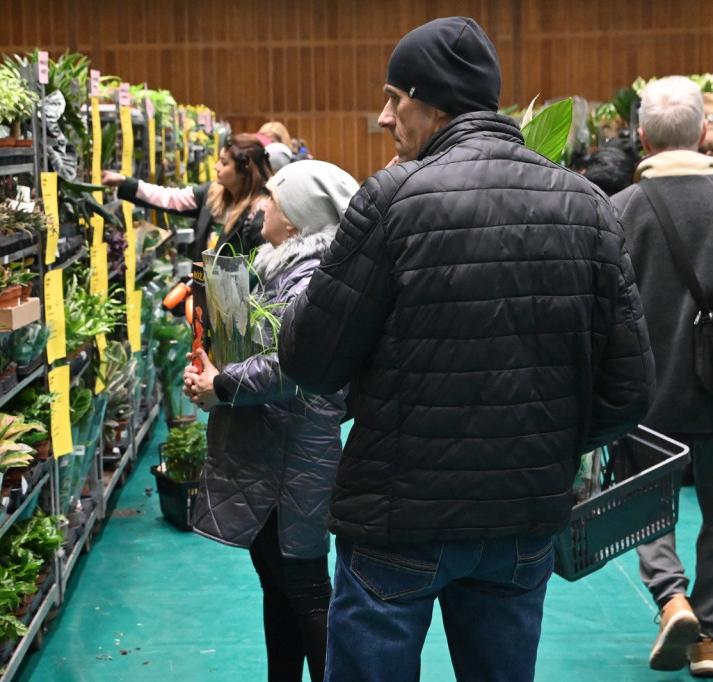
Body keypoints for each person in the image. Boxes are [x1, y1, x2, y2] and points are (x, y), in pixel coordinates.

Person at [276, 16, 655, 681]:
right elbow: (628, 391)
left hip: (397, 518)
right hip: (520, 518)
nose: (385, 117)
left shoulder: (393, 199)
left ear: (434, 101)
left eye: (395, 98)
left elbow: (310, 359)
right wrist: (546, 442)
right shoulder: (588, 206)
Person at [182, 160, 358, 682]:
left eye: (275, 200)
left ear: (299, 218)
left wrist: (223, 385)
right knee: (278, 578)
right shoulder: (284, 264)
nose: (263, 206)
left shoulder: (309, 277)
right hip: (275, 443)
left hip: (292, 449)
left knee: (302, 583)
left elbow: (294, 363)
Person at [611, 75, 713, 678]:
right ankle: (710, 640)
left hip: (646, 391)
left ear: (641, 137)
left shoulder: (617, 212)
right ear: (704, 132)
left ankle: (672, 598)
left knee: (647, 504)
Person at [102, 132, 272, 256]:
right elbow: (169, 198)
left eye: (224, 163)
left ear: (245, 170)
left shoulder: (259, 214)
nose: (216, 166)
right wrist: (124, 182)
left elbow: (260, 271)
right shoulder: (213, 194)